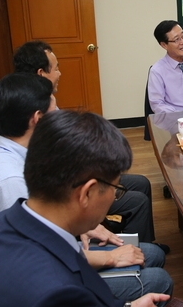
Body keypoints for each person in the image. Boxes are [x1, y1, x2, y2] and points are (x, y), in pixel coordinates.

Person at [0, 73, 172, 302]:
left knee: (151, 254)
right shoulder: (8, 183)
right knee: (159, 279)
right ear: (86, 193)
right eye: (115, 189)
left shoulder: (6, 219)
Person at [13, 40, 159, 246]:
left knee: (141, 183)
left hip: (70, 175)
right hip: (67, 187)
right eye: (56, 68)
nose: (60, 73)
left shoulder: (40, 101)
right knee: (137, 200)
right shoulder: (37, 109)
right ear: (40, 73)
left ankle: (141, 244)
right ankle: (139, 252)